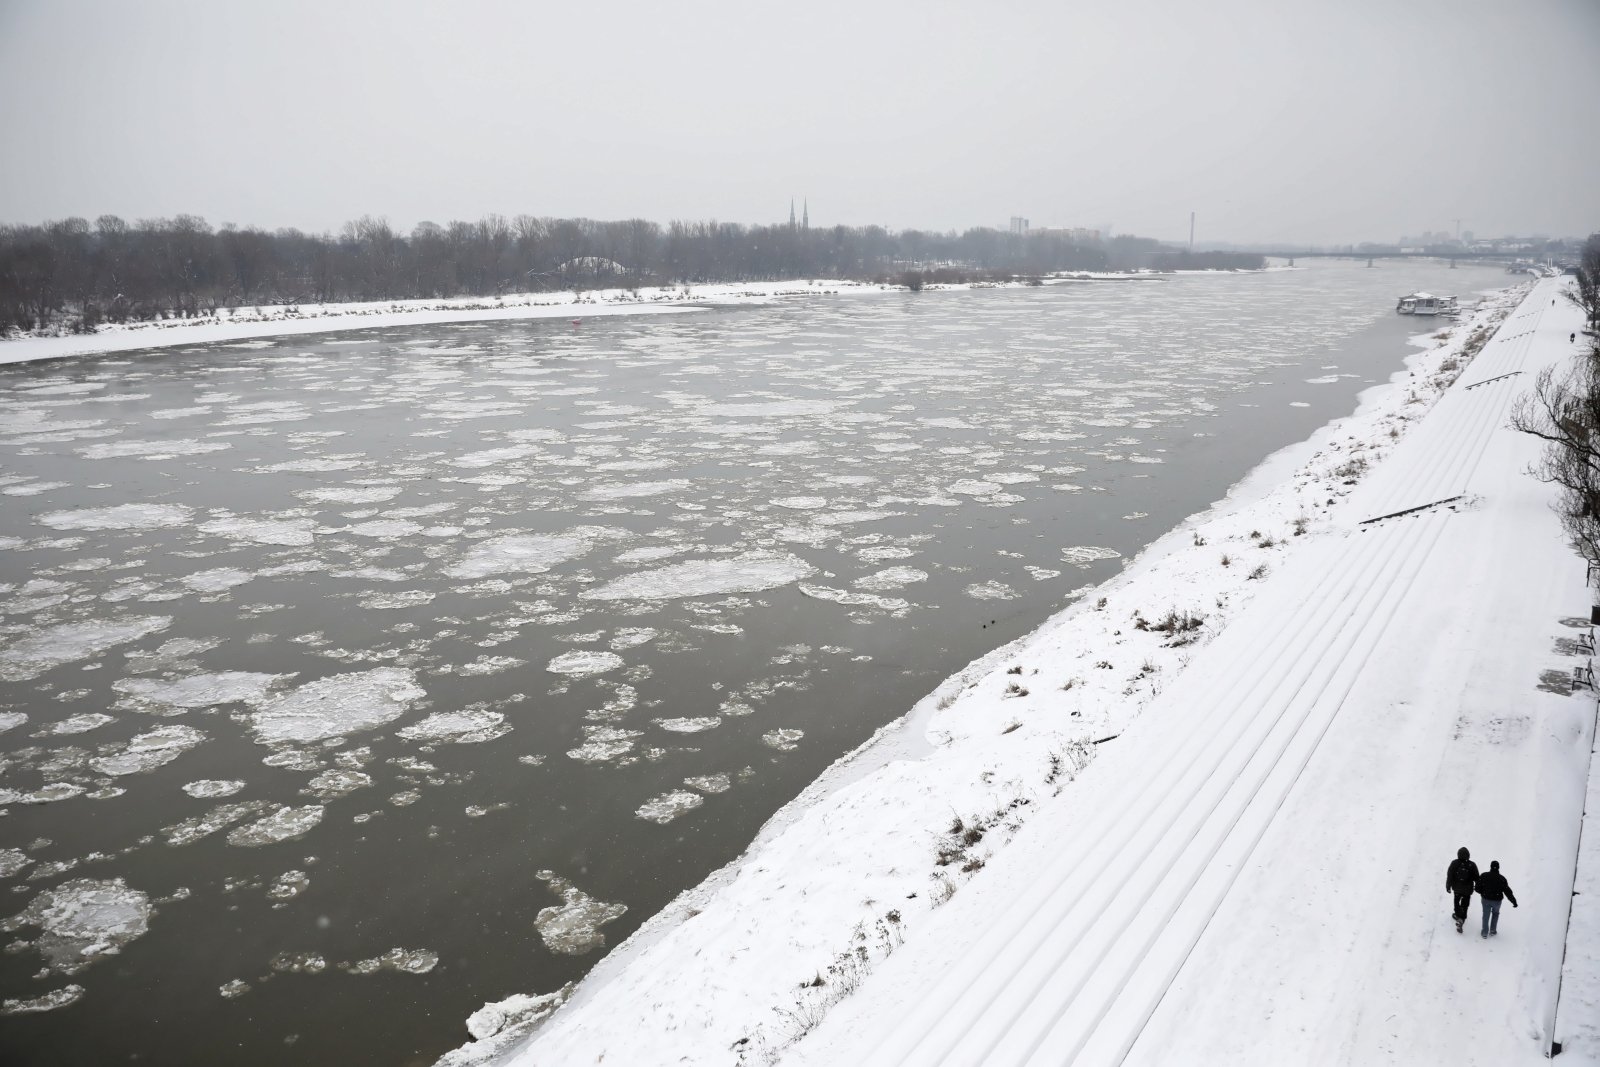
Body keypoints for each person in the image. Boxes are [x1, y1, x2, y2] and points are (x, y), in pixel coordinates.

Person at [1476, 860, 1518, 938]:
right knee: (1495, 914)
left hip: (1485, 899)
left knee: (1485, 915)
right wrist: (1513, 901)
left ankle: (1484, 933)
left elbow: (1477, 888)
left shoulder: (1484, 876)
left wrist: (1483, 892)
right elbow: (1507, 891)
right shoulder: (1502, 879)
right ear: (1498, 868)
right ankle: (1493, 930)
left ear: (1490, 867)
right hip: (1497, 901)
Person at [1446, 847, 1479, 933]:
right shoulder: (1472, 865)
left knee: (1456, 901)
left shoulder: (1454, 863)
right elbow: (1477, 878)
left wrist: (1448, 886)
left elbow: (1450, 875)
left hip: (1457, 888)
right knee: (1465, 904)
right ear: (1468, 855)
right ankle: (1462, 918)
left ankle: (1457, 915)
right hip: (1467, 890)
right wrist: (1478, 888)